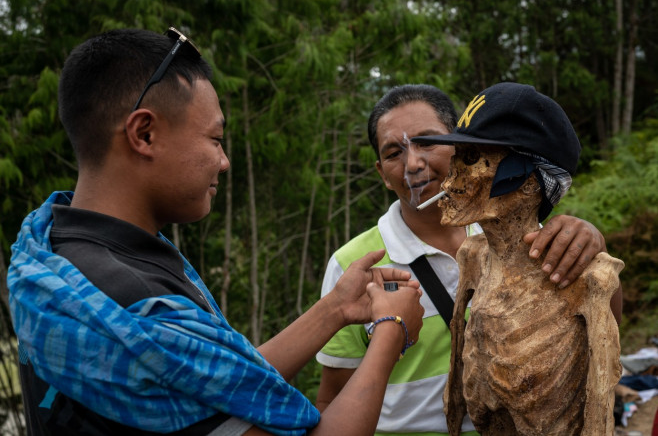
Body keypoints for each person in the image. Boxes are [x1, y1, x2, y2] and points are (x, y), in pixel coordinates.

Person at [7, 28, 425, 436]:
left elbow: (214, 383)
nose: (223, 162)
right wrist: (390, 331)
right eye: (215, 139)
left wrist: (336, 309)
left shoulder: (62, 249)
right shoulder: (136, 303)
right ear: (144, 134)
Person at [315, 84, 623, 436]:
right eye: (394, 152)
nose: (414, 164)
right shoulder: (353, 265)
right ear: (382, 173)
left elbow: (604, 337)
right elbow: (331, 397)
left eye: (428, 142)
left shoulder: (532, 242)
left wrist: (592, 245)